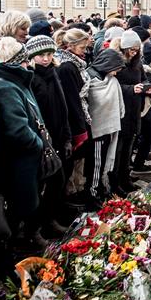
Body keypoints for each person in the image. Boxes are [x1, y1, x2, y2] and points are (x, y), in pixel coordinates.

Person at [0, 37, 47, 250]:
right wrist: (37, 143)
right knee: (22, 204)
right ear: (16, 62)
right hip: (20, 159)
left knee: (29, 200)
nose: (28, 64)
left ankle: (27, 238)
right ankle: (21, 244)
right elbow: (17, 129)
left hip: (26, 157)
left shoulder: (16, 81)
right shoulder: (6, 87)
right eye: (25, 60)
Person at [26, 35, 72, 235]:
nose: (45, 59)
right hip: (44, 137)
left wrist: (67, 134)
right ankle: (39, 224)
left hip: (59, 133)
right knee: (48, 181)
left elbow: (63, 106)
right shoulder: (32, 77)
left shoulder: (54, 73)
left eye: (48, 54)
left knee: (58, 180)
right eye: (40, 55)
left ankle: (50, 218)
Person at [84, 47, 125, 209]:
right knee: (95, 163)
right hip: (97, 129)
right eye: (116, 69)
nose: (116, 73)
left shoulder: (110, 79)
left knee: (101, 162)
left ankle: (100, 187)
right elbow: (91, 103)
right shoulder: (90, 77)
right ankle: (92, 193)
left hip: (109, 127)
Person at [54, 28, 93, 199]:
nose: (85, 52)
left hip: (81, 115)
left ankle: (77, 189)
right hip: (75, 120)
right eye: (83, 48)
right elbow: (72, 100)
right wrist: (80, 129)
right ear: (70, 46)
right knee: (73, 162)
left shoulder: (75, 63)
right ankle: (71, 193)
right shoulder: (67, 67)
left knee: (79, 160)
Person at [109, 30, 149, 195]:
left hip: (135, 108)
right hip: (121, 109)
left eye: (136, 50)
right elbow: (113, 84)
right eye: (131, 50)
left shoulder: (137, 63)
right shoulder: (117, 61)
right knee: (119, 150)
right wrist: (132, 89)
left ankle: (126, 178)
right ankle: (115, 182)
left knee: (128, 148)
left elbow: (144, 78)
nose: (133, 53)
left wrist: (147, 85)